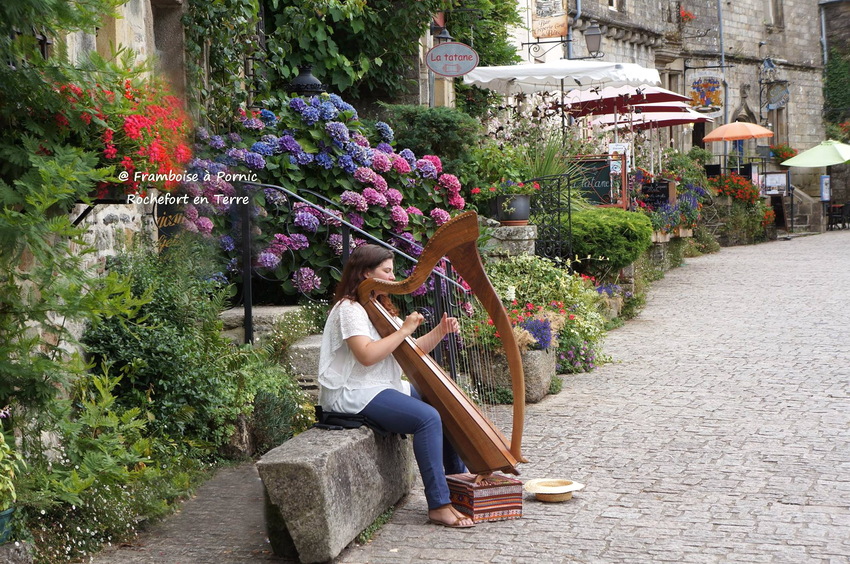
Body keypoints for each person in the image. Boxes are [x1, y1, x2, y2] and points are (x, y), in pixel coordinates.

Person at [318, 244, 474, 528]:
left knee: (441, 401)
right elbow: (366, 356)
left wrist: (440, 331)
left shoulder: (379, 306)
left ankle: (457, 484)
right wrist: (404, 330)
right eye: (386, 271)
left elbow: (409, 351)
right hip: (352, 391)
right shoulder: (349, 309)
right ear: (366, 273)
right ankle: (439, 505)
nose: (393, 278)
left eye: (392, 271)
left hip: (381, 385)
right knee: (427, 418)